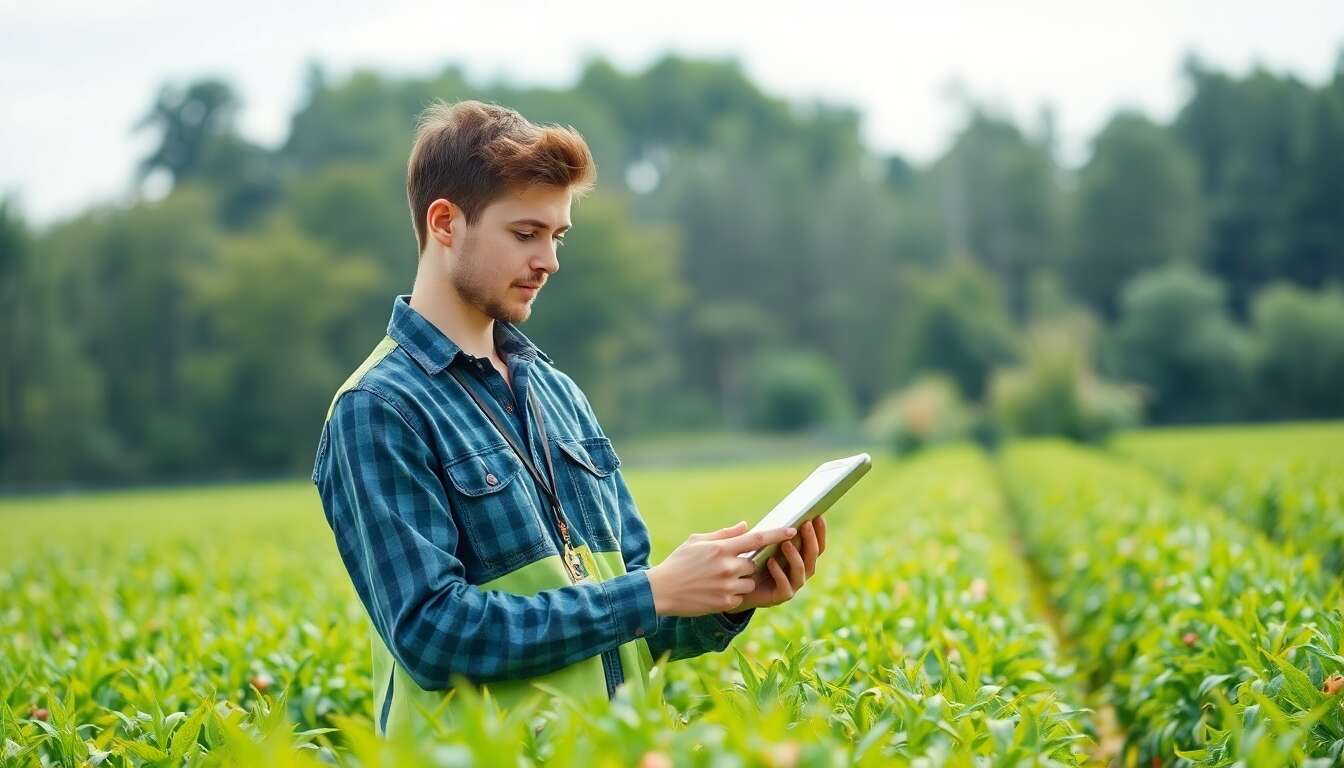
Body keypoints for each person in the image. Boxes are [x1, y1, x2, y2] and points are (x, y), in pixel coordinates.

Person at [310, 99, 828, 739]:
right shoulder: (379, 409)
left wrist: (723, 599)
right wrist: (651, 593)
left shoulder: (557, 392)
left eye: (556, 237)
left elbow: (628, 623)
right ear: (445, 223)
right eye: (525, 234)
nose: (549, 261)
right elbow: (433, 634)